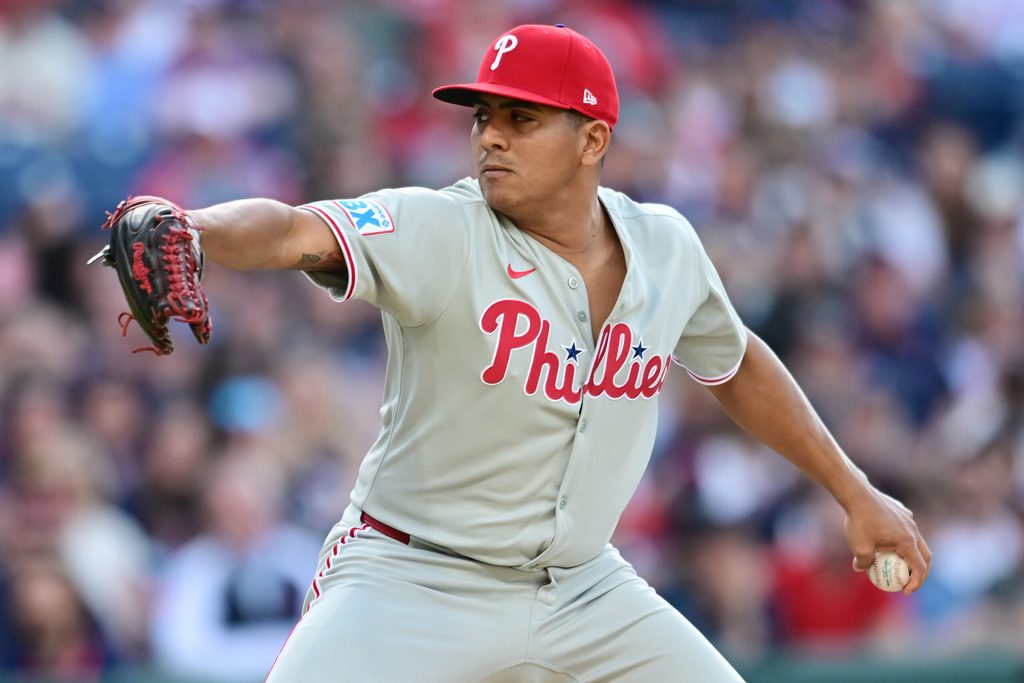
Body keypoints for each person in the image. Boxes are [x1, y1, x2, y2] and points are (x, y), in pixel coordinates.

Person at [141, 24, 930, 682]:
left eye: (521, 119)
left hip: (584, 588)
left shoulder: (665, 246)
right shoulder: (441, 230)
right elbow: (291, 229)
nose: (489, 136)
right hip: (414, 576)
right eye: (483, 116)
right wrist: (192, 227)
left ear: (593, 139)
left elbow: (735, 361)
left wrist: (855, 492)